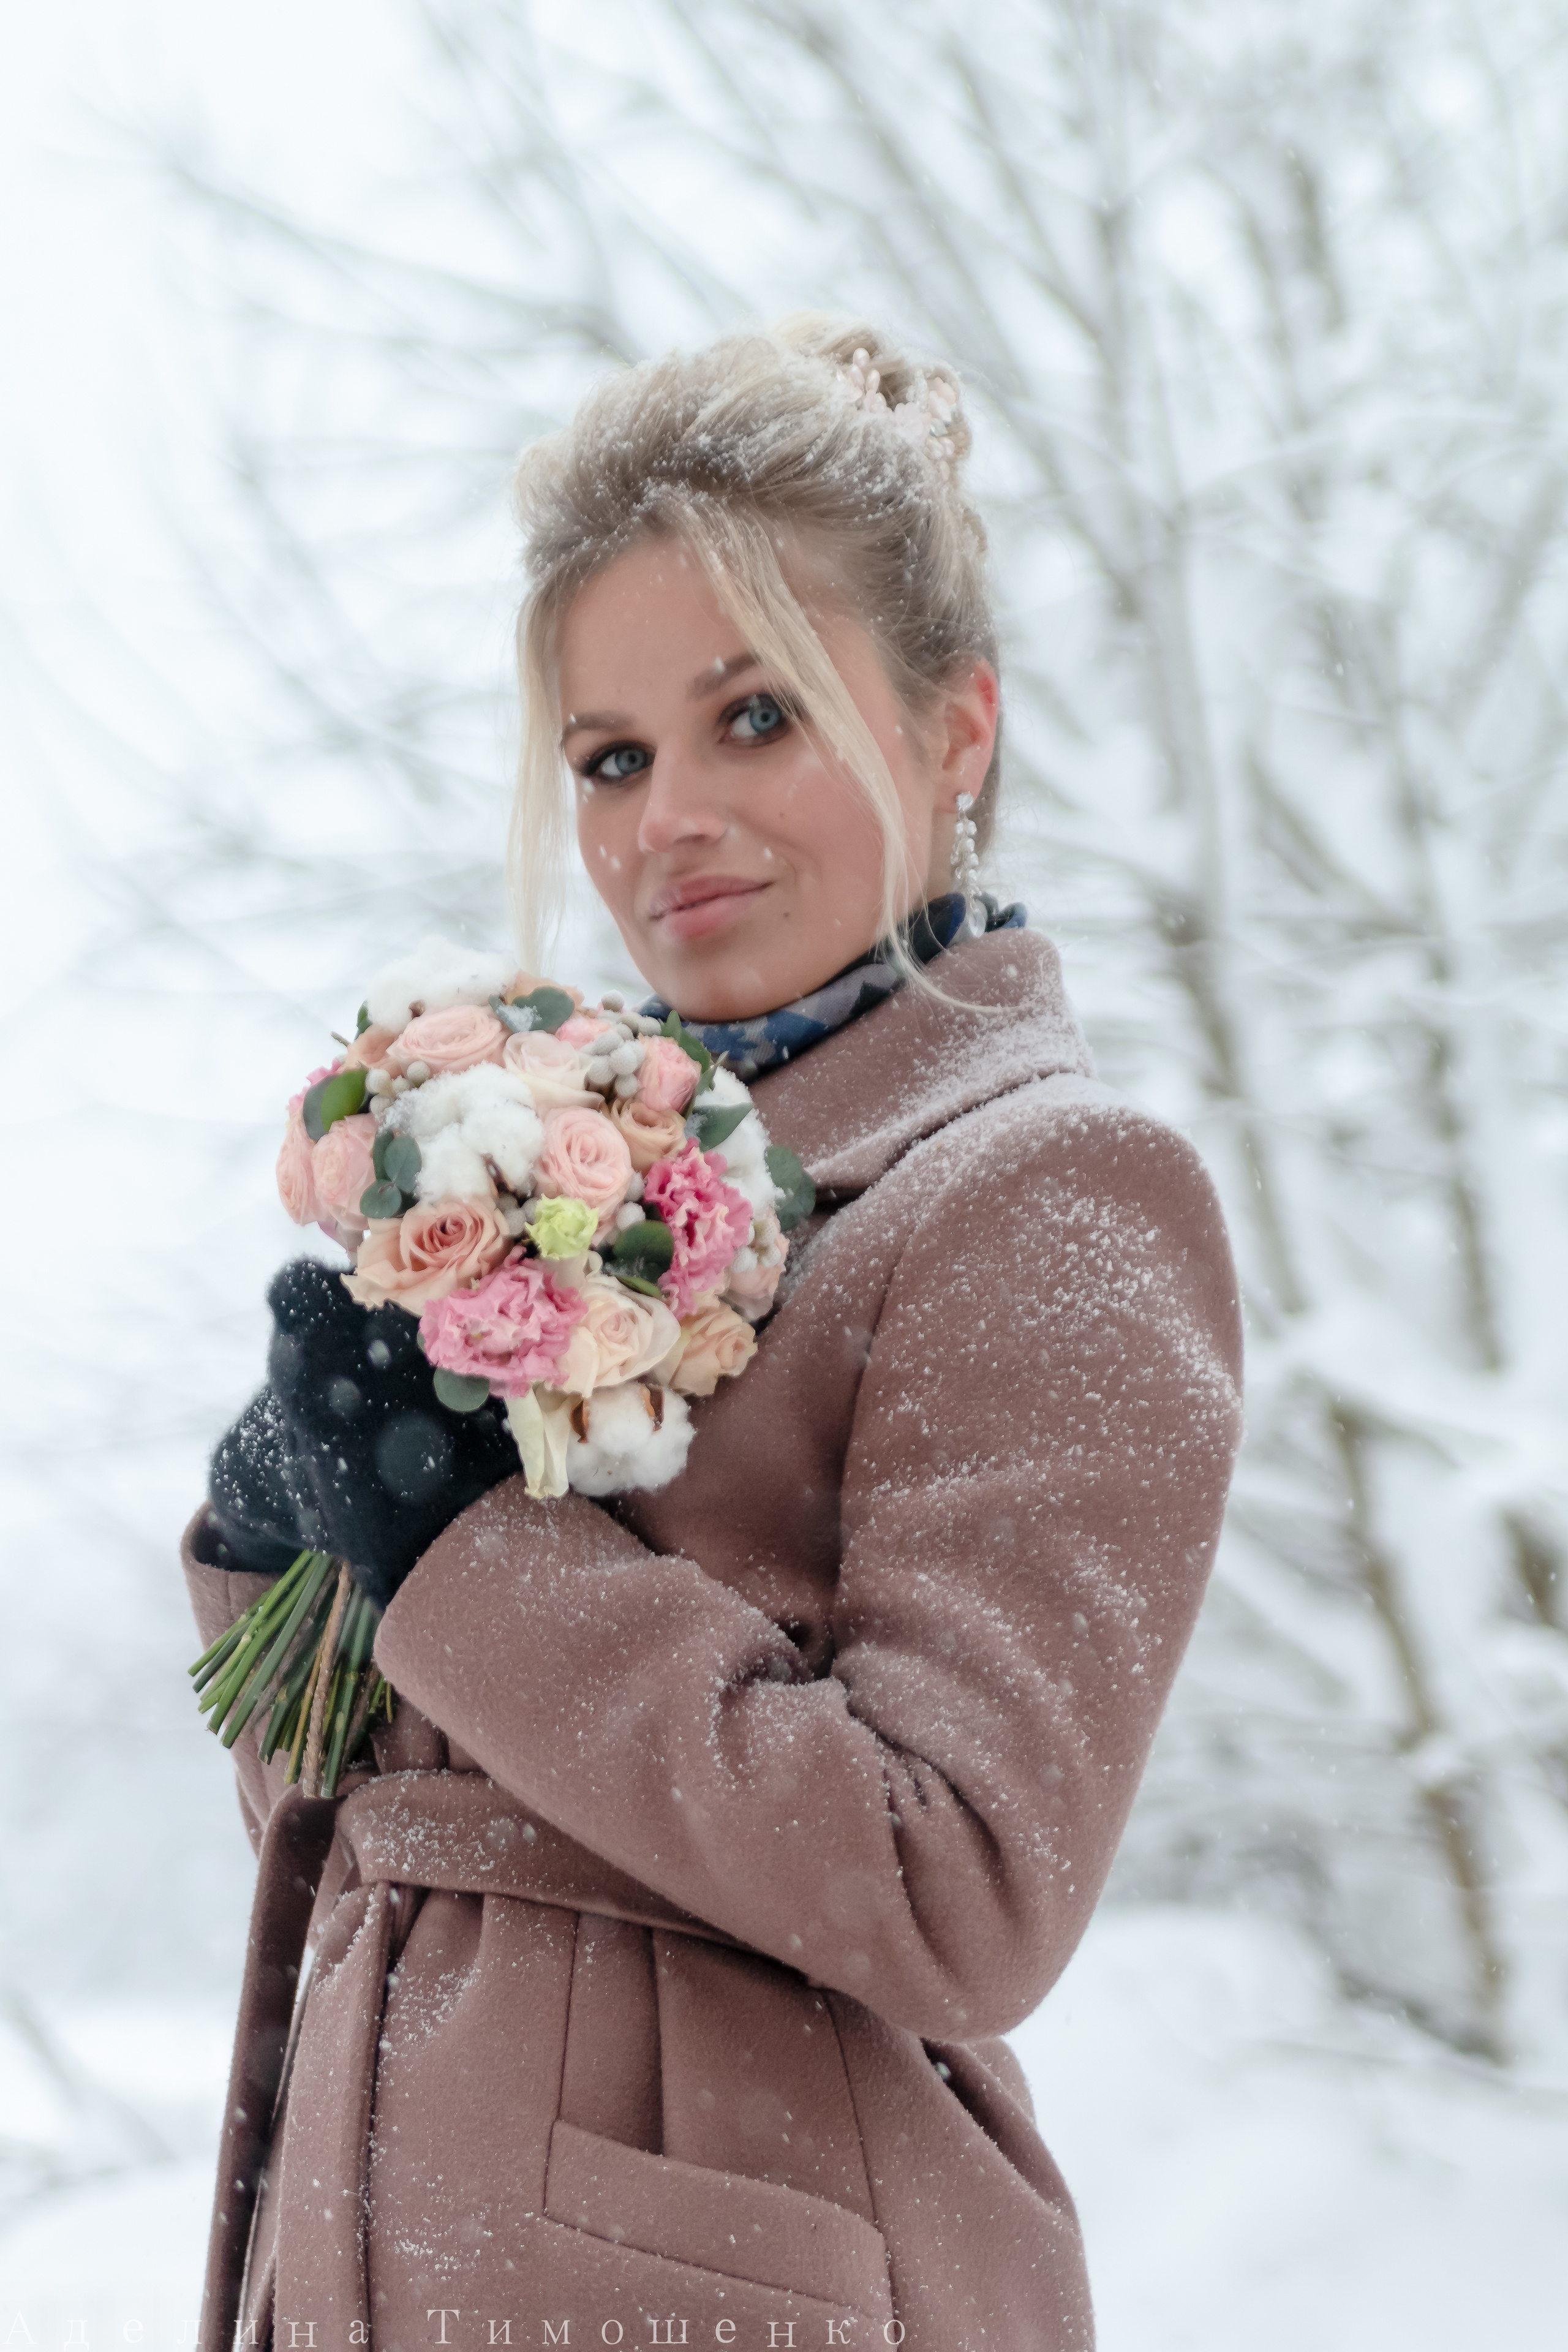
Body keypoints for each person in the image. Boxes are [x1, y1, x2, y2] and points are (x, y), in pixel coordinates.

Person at [189, 317, 1243, 2352]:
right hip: (381, 2228)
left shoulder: (1051, 1192)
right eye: (610, 756)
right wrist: (289, 1536)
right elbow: (377, 1786)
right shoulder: (558, 1177)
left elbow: (962, 1881)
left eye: (752, 717)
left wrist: (451, 1549)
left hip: (725, 2272)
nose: (665, 815)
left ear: (959, 729)